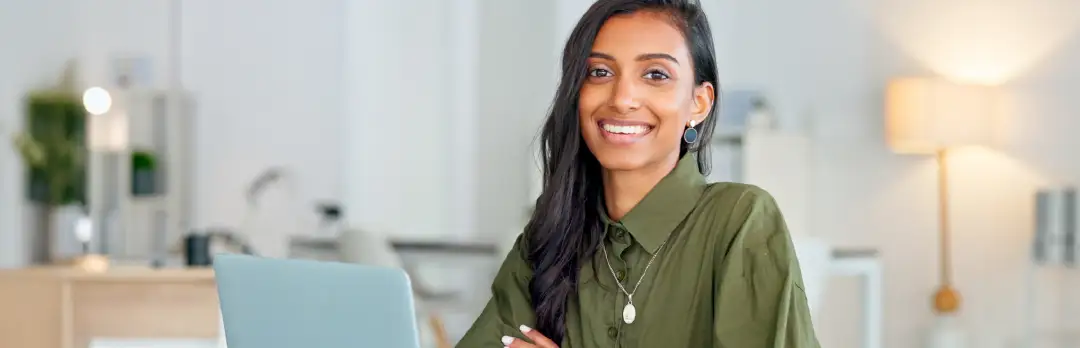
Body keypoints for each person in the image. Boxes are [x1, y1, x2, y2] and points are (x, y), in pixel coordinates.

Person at [457, 0, 820, 347]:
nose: (622, 98)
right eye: (599, 72)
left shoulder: (740, 222)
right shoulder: (549, 236)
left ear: (699, 103)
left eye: (655, 74)